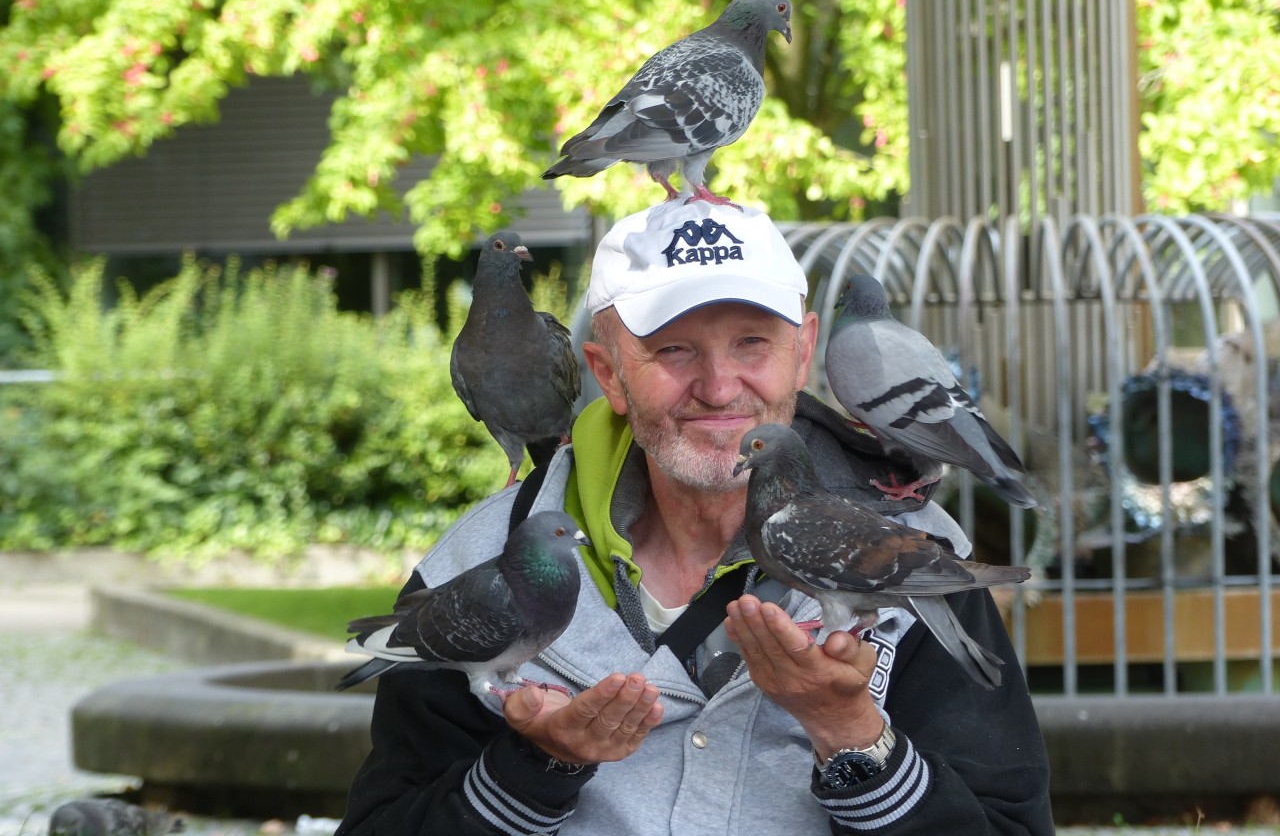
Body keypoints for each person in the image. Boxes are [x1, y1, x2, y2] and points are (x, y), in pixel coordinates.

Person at [335, 197, 1054, 836]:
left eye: (753, 343)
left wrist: (853, 734)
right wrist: (532, 767)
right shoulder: (478, 561)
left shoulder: (920, 563)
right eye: (673, 349)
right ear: (609, 373)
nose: (718, 387)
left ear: (803, 353)